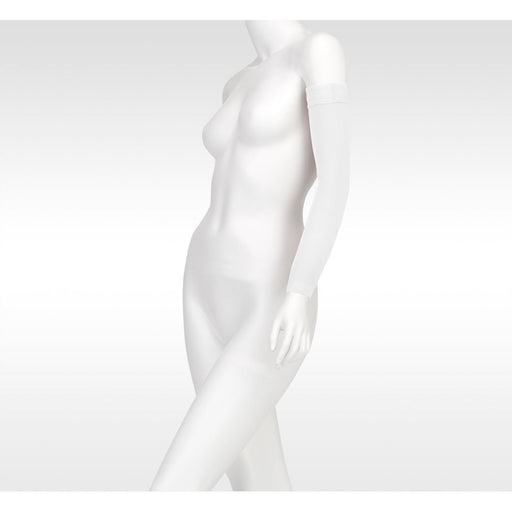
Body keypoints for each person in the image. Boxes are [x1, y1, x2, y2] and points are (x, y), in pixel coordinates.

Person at [150, 20, 350, 491]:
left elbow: (336, 182)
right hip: (201, 285)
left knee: (173, 488)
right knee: (259, 483)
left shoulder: (317, 52)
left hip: (271, 296)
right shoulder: (237, 81)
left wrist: (300, 290)